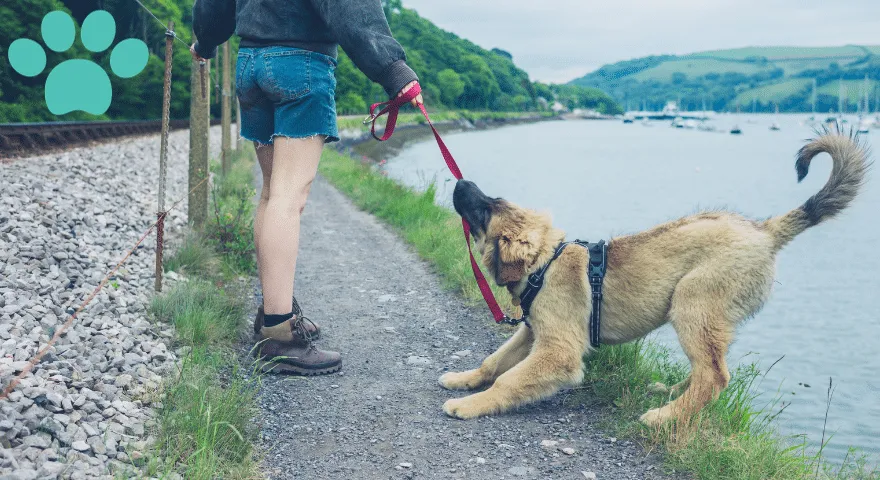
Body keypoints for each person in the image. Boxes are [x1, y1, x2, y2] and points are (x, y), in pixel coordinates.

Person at [191, 0, 423, 375]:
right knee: (287, 198)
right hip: (298, 65)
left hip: (251, 63)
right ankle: (280, 335)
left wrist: (205, 41)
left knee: (272, 194)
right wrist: (394, 70)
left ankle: (273, 311)